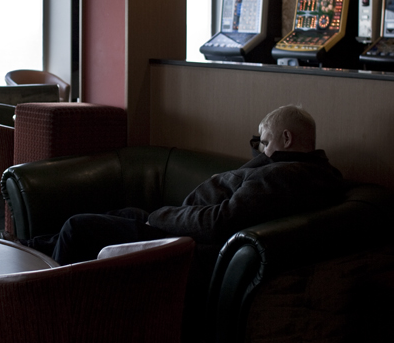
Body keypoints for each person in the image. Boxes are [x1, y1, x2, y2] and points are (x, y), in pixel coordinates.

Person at [29, 105, 344, 266]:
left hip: (182, 241)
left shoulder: (284, 176)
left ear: (286, 139)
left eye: (264, 142)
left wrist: (160, 217)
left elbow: (221, 221)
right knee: (123, 212)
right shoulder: (316, 173)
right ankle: (31, 250)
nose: (260, 150)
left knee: (77, 228)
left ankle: (47, 306)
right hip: (177, 226)